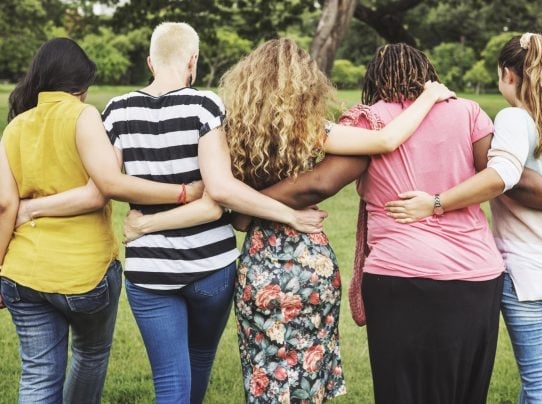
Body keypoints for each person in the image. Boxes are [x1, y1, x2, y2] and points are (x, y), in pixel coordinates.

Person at [4, 26, 328, 404]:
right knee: (200, 358)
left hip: (149, 270)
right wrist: (290, 214)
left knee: (170, 381)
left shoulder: (116, 111)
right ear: (193, 60)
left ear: (149, 62)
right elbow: (219, 191)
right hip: (211, 266)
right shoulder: (205, 106)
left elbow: (104, 185)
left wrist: (37, 208)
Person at [121, 37, 455, 402]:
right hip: (309, 262)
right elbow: (387, 139)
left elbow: (235, 216)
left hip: (259, 266)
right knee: (310, 377)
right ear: (306, 82)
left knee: (266, 375)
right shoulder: (310, 130)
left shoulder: (231, 133)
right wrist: (428, 96)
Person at [386, 33, 542, 403]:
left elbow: (503, 176)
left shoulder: (514, 118)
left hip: (531, 277)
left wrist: (435, 202)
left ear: (507, 74)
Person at [0, 37, 209, 404]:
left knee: (38, 374)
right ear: (80, 85)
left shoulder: (15, 126)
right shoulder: (83, 116)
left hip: (22, 273)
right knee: (91, 352)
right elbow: (104, 188)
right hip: (84, 274)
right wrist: (182, 192)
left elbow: (5, 206)